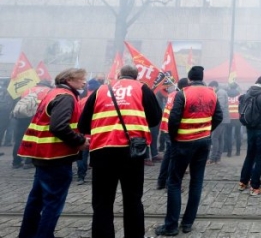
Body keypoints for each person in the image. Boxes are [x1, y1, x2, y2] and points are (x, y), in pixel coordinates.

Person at [78, 65, 162, 238]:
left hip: (102, 151)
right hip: (131, 152)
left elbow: (83, 125)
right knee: (133, 199)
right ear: (136, 76)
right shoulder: (142, 88)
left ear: (118, 75)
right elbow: (155, 118)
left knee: (102, 202)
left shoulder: (100, 90)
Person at [18, 68, 90, 238]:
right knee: (53, 203)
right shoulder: (66, 97)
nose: (84, 82)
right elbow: (58, 126)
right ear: (69, 80)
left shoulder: (53, 94)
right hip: (56, 157)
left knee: (36, 201)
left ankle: (27, 234)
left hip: (44, 155)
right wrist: (80, 141)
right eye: (81, 79)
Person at [155, 66, 223, 236]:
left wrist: (173, 138)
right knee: (196, 182)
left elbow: (174, 118)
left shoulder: (183, 93)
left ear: (190, 79)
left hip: (183, 142)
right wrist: (206, 130)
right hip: (203, 143)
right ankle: (187, 223)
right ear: (202, 77)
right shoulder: (212, 93)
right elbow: (219, 116)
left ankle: (171, 226)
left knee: (174, 182)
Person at [238, 75, 261, 196]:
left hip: (250, 128)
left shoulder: (248, 93)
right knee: (260, 157)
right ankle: (255, 186)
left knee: (250, 155)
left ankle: (243, 182)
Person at [11, 79, 52, 169]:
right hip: (36, 117)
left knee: (19, 139)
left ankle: (16, 162)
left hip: (21, 118)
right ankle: (28, 162)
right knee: (32, 139)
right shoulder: (48, 91)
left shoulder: (28, 90)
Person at [157, 78, 190, 190]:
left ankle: (161, 182)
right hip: (173, 129)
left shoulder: (172, 94)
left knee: (167, 156)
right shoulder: (181, 96)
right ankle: (169, 183)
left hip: (166, 127)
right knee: (174, 158)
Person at [207, 81, 228, 165]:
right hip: (222, 119)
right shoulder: (220, 92)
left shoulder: (220, 93)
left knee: (215, 138)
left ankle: (213, 158)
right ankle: (217, 158)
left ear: (214, 86)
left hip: (220, 119)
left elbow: (220, 106)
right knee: (220, 138)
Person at [225, 83, 242, 156]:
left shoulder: (226, 95)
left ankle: (229, 152)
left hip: (228, 117)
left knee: (228, 135)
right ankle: (238, 152)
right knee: (238, 135)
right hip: (238, 117)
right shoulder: (240, 96)